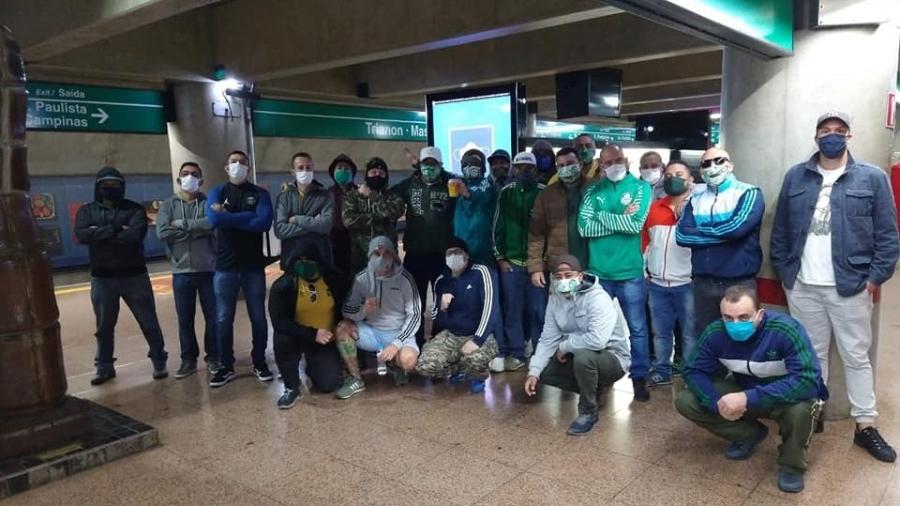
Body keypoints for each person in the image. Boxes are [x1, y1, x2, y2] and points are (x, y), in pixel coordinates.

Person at [771, 111, 900, 463]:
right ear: (816, 137)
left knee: (856, 357)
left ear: (849, 136)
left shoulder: (871, 178)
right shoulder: (797, 176)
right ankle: (814, 416)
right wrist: (787, 276)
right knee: (812, 355)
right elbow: (780, 230)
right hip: (803, 285)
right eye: (825, 131)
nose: (832, 136)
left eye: (839, 131)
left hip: (851, 285)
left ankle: (865, 425)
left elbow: (889, 237)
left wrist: (873, 279)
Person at [675, 285, 828, 493]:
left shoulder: (785, 330)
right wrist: (714, 402)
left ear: (759, 314)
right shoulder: (715, 333)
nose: (735, 324)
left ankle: (792, 465)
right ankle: (748, 435)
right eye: (728, 318)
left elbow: (808, 380)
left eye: (743, 317)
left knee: (802, 410)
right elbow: (693, 370)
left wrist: (748, 398)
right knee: (687, 400)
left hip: (784, 396)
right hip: (744, 388)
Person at [75, 166, 168, 384]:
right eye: (106, 184)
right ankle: (104, 366)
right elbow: (82, 234)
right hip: (102, 278)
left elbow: (134, 236)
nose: (111, 188)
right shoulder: (86, 211)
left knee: (149, 322)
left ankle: (158, 359)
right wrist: (117, 229)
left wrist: (99, 232)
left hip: (134, 275)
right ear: (99, 187)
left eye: (116, 184)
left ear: (122, 186)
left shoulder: (134, 210)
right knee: (104, 327)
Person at [577, 143, 652, 401]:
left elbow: (634, 225)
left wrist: (601, 215)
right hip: (599, 273)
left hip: (630, 272)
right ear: (601, 164)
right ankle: (602, 375)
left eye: (618, 160)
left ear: (627, 160)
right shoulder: (592, 191)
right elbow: (584, 227)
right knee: (600, 328)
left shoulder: (642, 188)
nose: (613, 165)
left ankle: (640, 378)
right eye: (608, 162)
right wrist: (617, 218)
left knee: (638, 329)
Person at [524, 255, 629, 435]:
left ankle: (588, 411)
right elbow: (548, 338)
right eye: (558, 276)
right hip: (580, 354)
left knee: (583, 357)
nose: (563, 280)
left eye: (568, 275)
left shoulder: (598, 298)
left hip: (612, 358)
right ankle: (592, 389)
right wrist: (534, 371)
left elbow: (597, 341)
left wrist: (565, 346)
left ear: (580, 276)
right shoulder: (555, 299)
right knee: (543, 369)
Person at [676, 147, 764, 333]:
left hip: (738, 283)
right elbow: (682, 236)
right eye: (706, 163)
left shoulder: (748, 193)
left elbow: (737, 229)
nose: (712, 166)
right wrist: (725, 235)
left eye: (719, 161)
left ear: (730, 165)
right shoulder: (696, 199)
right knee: (708, 340)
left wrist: (701, 230)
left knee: (742, 338)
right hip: (703, 284)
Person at [206, 150, 274, 388]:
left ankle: (259, 361)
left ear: (248, 168)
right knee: (223, 318)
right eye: (233, 162)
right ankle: (226, 366)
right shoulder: (217, 192)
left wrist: (229, 216)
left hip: (253, 267)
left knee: (258, 316)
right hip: (224, 268)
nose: (238, 166)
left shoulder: (260, 194)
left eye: (242, 163)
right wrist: (247, 217)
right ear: (227, 168)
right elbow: (214, 221)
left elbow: (264, 222)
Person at [334, 236, 421, 398]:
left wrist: (396, 343)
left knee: (409, 361)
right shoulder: (362, 279)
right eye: (376, 253)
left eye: (386, 253)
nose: (381, 258)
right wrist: (363, 310)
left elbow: (415, 315)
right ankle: (355, 379)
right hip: (371, 332)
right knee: (342, 328)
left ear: (394, 256)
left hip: (398, 332)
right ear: (369, 256)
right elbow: (346, 308)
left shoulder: (406, 279)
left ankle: (397, 364)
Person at [156, 161, 217, 378]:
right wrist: (196, 229)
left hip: (208, 269)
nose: (189, 177)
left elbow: (212, 224)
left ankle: (214, 357)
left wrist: (181, 224)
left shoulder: (209, 202)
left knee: (213, 317)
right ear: (179, 179)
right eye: (185, 174)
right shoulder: (168, 205)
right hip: (181, 271)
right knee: (185, 319)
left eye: (194, 174)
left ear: (201, 179)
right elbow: (162, 231)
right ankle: (188, 360)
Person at [269, 243, 349, 409]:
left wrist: (342, 325)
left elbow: (346, 308)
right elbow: (280, 322)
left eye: (309, 260)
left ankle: (314, 367)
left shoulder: (334, 280)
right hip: (298, 335)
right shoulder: (283, 286)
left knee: (328, 384)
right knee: (282, 339)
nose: (305, 264)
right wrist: (312, 333)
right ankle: (291, 386)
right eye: (300, 261)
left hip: (325, 338)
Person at [416, 238, 500, 393]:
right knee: (424, 365)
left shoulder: (481, 272)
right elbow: (437, 317)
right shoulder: (441, 280)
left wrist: (477, 340)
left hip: (479, 334)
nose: (453, 256)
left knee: (475, 360)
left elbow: (491, 309)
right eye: (450, 253)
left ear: (466, 255)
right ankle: (459, 368)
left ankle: (478, 376)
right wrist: (442, 308)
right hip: (452, 335)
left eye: (458, 252)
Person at [391, 146, 455, 347]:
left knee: (441, 302)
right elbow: (388, 194)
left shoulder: (449, 183)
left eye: (433, 165)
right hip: (415, 254)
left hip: (442, 255)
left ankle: (439, 344)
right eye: (425, 165)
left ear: (440, 166)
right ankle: (415, 342)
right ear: (420, 166)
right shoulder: (410, 184)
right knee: (415, 303)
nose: (429, 169)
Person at [642, 159, 698, 386]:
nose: (672, 178)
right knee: (661, 332)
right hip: (657, 283)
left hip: (687, 282)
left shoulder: (698, 207)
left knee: (689, 333)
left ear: (691, 179)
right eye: (668, 174)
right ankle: (663, 369)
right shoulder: (655, 207)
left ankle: (690, 373)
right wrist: (645, 268)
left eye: (679, 174)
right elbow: (646, 241)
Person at [490, 151, 546, 373]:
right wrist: (500, 257)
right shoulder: (506, 193)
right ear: (513, 170)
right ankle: (516, 352)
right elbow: (497, 228)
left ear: (535, 170)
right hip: (511, 263)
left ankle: (541, 352)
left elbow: (550, 229)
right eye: (519, 168)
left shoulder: (544, 193)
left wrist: (542, 262)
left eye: (528, 168)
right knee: (513, 310)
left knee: (538, 310)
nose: (524, 172)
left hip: (537, 265)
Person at [528, 147, 590, 288]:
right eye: (561, 165)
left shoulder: (594, 187)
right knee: (561, 309)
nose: (566, 168)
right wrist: (535, 268)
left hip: (592, 265)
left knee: (591, 308)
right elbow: (536, 234)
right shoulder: (547, 194)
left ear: (580, 164)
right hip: (560, 268)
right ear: (556, 168)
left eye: (570, 163)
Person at [342, 157, 406, 274]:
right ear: (367, 175)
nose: (377, 175)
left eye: (381, 173)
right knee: (360, 291)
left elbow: (395, 212)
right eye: (373, 172)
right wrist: (380, 217)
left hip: (387, 258)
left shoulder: (393, 196)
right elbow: (348, 221)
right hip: (360, 258)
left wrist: (372, 195)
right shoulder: (353, 195)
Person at [274, 152, 335, 270]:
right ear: (293, 172)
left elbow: (326, 225)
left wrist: (297, 219)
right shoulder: (284, 197)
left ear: (313, 170)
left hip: (320, 258)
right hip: (291, 259)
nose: (305, 171)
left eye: (308, 167)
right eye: (300, 168)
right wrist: (314, 224)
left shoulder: (325, 196)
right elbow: (280, 230)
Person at [453, 148, 498, 267]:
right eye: (466, 163)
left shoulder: (486, 184)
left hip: (482, 250)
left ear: (482, 166)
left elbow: (484, 198)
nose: (470, 165)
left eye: (475, 162)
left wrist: (468, 195)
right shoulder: (458, 183)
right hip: (461, 248)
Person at [326, 153, 358, 273]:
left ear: (352, 173)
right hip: (334, 243)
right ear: (333, 172)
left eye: (346, 169)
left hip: (355, 245)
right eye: (339, 168)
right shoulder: (327, 194)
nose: (343, 171)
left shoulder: (359, 193)